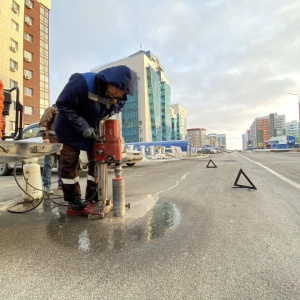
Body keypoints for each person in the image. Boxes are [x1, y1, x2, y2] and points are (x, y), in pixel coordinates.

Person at [54, 65, 137, 210]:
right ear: (109, 81)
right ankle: (73, 200)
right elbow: (63, 105)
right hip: (69, 128)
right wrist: (83, 127)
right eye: (117, 90)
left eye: (122, 92)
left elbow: (113, 109)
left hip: (93, 129)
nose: (118, 95)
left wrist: (100, 127)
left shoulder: (119, 97)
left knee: (98, 161)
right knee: (69, 164)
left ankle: (93, 196)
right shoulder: (82, 82)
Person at [39, 104, 62, 194]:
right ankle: (47, 186)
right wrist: (45, 138)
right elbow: (43, 124)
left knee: (62, 165)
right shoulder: (52, 110)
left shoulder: (65, 112)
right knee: (49, 164)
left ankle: (61, 184)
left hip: (62, 143)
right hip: (52, 142)